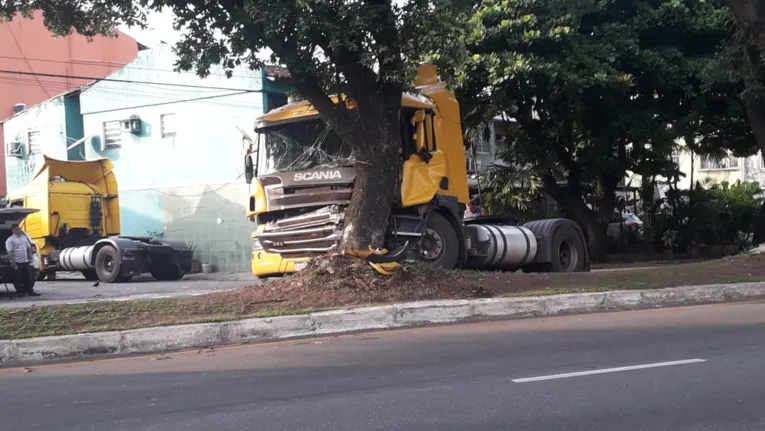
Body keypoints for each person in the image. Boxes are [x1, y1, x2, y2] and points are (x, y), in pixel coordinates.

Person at [5, 224, 39, 297]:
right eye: (17, 229)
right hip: (17, 261)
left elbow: (29, 247)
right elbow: (10, 252)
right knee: (18, 277)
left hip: (25, 261)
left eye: (19, 229)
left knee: (29, 277)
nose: (19, 230)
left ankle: (30, 291)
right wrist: (12, 262)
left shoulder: (24, 238)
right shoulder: (10, 240)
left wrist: (30, 257)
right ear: (13, 230)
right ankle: (19, 292)